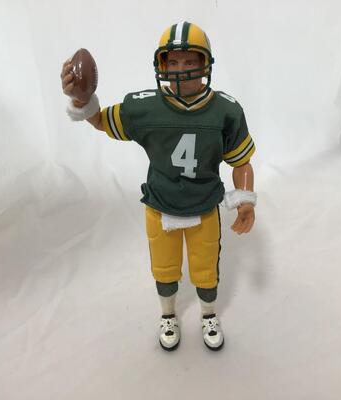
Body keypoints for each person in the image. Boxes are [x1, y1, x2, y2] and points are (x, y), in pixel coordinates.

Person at [61, 21, 256, 351]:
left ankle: (208, 314)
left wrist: (244, 200)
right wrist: (82, 99)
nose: (181, 69)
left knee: (206, 270)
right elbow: (101, 120)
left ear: (205, 63)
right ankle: (168, 315)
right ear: (162, 65)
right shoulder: (145, 107)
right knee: (164, 269)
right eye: (174, 62)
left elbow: (241, 161)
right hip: (160, 204)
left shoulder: (226, 110)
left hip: (204, 206)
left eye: (190, 61)